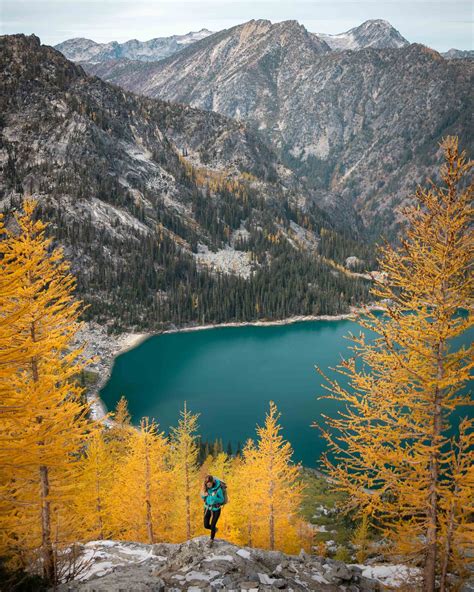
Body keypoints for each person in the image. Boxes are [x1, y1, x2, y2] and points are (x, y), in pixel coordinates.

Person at [201, 474, 224, 547]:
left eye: (209, 484)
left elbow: (222, 500)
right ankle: (214, 529)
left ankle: (211, 540)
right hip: (207, 507)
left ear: (212, 482)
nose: (208, 486)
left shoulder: (218, 489)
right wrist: (204, 494)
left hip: (216, 509)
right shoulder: (205, 487)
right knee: (206, 525)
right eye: (207, 484)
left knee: (213, 524)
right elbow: (202, 495)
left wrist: (214, 498)